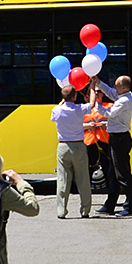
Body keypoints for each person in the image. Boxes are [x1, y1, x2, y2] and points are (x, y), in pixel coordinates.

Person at [50, 84, 95, 219]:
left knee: (63, 179)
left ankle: (61, 210)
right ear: (75, 96)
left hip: (63, 146)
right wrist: (92, 87)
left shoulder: (56, 110)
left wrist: (63, 101)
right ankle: (85, 210)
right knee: (83, 178)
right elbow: (91, 104)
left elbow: (54, 115)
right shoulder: (79, 109)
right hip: (78, 146)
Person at [93, 75, 132, 216]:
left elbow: (108, 113)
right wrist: (99, 82)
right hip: (115, 138)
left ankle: (130, 207)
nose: (115, 87)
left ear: (124, 88)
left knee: (122, 174)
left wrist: (96, 104)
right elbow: (110, 92)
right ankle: (110, 205)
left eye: (117, 85)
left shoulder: (124, 100)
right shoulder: (122, 95)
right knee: (112, 173)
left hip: (120, 139)